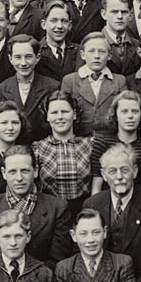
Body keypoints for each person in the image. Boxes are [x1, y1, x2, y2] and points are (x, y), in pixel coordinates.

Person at [84, 143, 141, 282]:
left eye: (124, 170)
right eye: (112, 171)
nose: (119, 177)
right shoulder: (92, 204)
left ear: (135, 171)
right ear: (104, 175)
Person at [0, 145, 72, 269]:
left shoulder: (57, 208)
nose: (19, 178)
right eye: (12, 172)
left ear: (36, 171)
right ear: (3, 173)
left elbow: (58, 261)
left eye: (25, 171)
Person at [33, 91, 93, 223]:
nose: (60, 117)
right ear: (47, 116)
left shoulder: (89, 145)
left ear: (75, 114)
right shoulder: (38, 148)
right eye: (54, 113)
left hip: (84, 213)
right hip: (50, 214)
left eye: (65, 112)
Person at [90, 90, 141, 193]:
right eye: (124, 111)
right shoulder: (102, 143)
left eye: (135, 111)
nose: (130, 116)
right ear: (115, 114)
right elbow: (96, 188)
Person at [0, 34, 61, 143]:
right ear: (10, 59)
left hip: (44, 149)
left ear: (37, 57)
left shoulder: (52, 87)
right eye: (17, 57)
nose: (23, 63)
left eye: (28, 56)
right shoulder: (1, 89)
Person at [60, 32, 128, 136]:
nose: (97, 56)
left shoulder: (119, 81)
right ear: (83, 55)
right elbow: (64, 112)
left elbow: (124, 113)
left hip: (110, 139)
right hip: (80, 139)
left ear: (109, 55)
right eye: (91, 51)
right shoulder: (70, 80)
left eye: (102, 52)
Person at [75, 0, 141, 76]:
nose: (119, 16)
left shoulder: (137, 45)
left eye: (124, 12)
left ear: (131, 15)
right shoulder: (90, 43)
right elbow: (80, 78)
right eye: (114, 12)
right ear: (104, 14)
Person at [36, 0, 79, 81]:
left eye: (64, 21)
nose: (59, 26)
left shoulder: (79, 51)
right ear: (43, 24)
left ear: (70, 25)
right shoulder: (35, 51)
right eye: (54, 20)